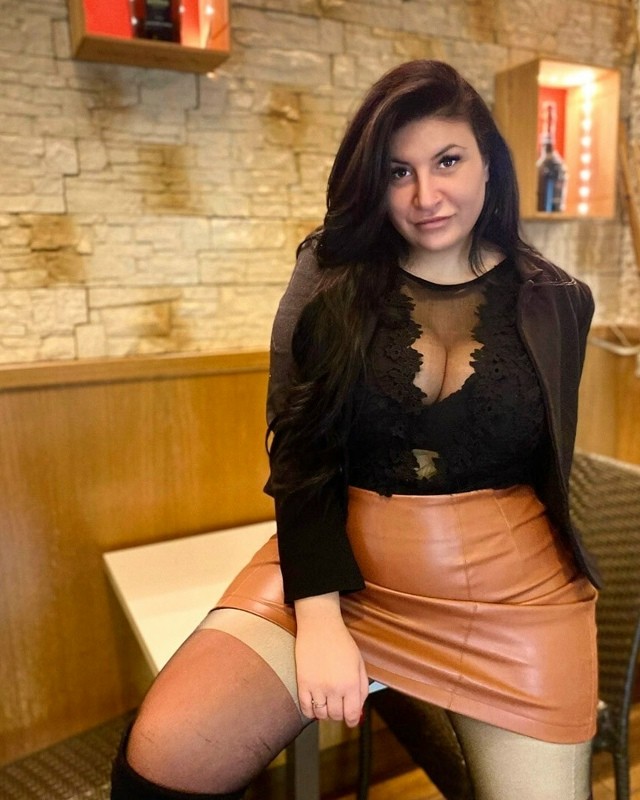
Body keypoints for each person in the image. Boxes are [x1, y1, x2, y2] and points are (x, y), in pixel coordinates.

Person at [110, 59, 600, 800]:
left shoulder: (560, 298)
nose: (426, 195)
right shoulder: (329, 273)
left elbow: (546, 466)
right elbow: (300, 450)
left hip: (513, 595)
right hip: (341, 567)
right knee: (165, 755)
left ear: (490, 165)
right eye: (399, 172)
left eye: (447, 161)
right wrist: (320, 618)